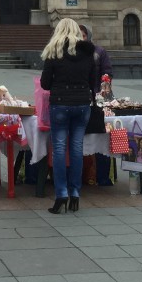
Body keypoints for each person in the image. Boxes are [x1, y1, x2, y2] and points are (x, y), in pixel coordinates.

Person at [40, 17, 98, 213]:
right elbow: (93, 82)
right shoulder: (88, 52)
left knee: (59, 149)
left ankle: (61, 194)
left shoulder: (54, 51)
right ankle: (75, 193)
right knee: (76, 149)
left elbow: (45, 84)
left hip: (60, 104)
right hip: (82, 104)